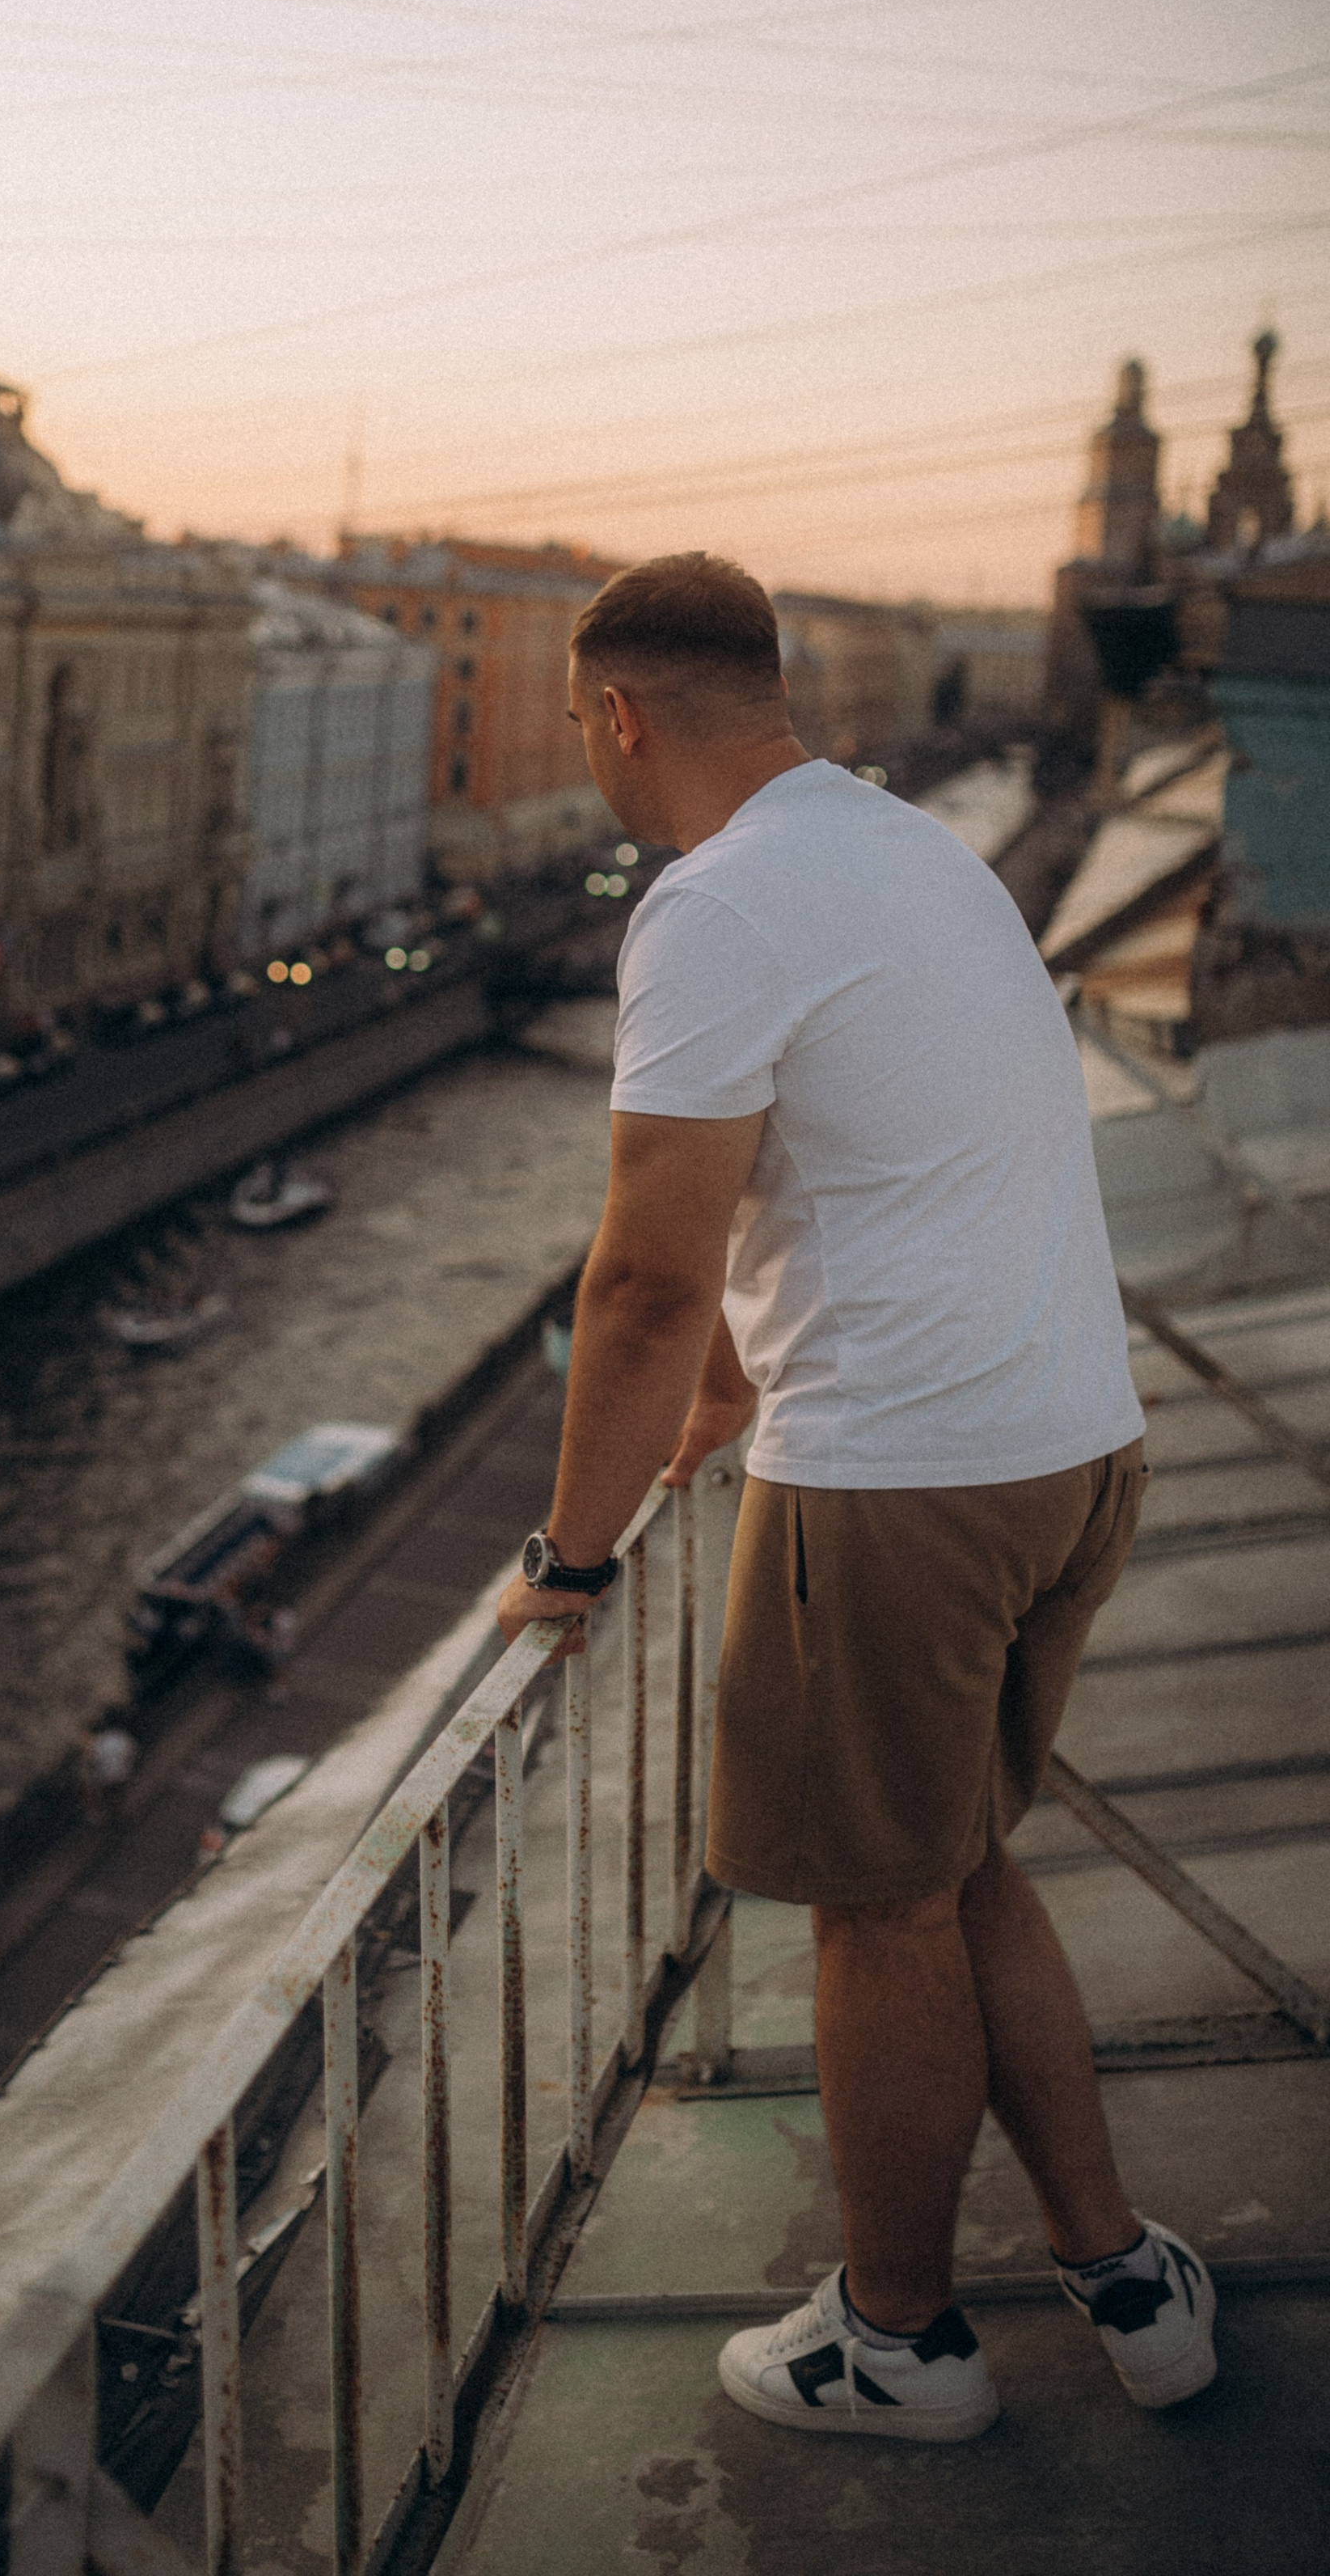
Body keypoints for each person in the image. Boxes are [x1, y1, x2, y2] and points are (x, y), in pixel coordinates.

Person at [497, 552, 1213, 2447]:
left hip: (905, 1478)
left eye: (582, 726)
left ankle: (895, 2335)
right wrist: (738, 1362)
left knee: (869, 1911)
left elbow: (640, 1270)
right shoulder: (905, 846)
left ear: (619, 712)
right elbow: (849, 1154)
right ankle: (1121, 2270)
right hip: (1072, 1438)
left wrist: (566, 1558)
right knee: (958, 1862)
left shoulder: (713, 903)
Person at [81, 1713, 139, 1827]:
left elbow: (91, 1763)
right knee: (119, 1794)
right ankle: (122, 1814)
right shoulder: (119, 1736)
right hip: (123, 1773)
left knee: (111, 1796)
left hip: (107, 1779)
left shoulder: (96, 1744)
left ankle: (116, 1817)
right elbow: (133, 1750)